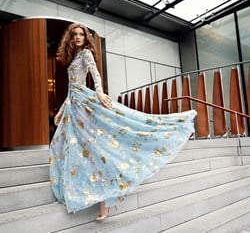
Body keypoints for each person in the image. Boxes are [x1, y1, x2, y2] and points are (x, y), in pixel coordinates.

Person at [49, 22, 196, 222]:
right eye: (74, 34)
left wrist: (99, 93)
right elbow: (72, 89)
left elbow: (95, 75)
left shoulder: (85, 54)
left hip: (85, 104)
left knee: (95, 147)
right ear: (70, 38)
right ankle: (99, 200)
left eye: (81, 35)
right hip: (74, 107)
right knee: (70, 147)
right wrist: (62, 111)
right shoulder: (74, 57)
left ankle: (105, 202)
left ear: (85, 37)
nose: (77, 37)